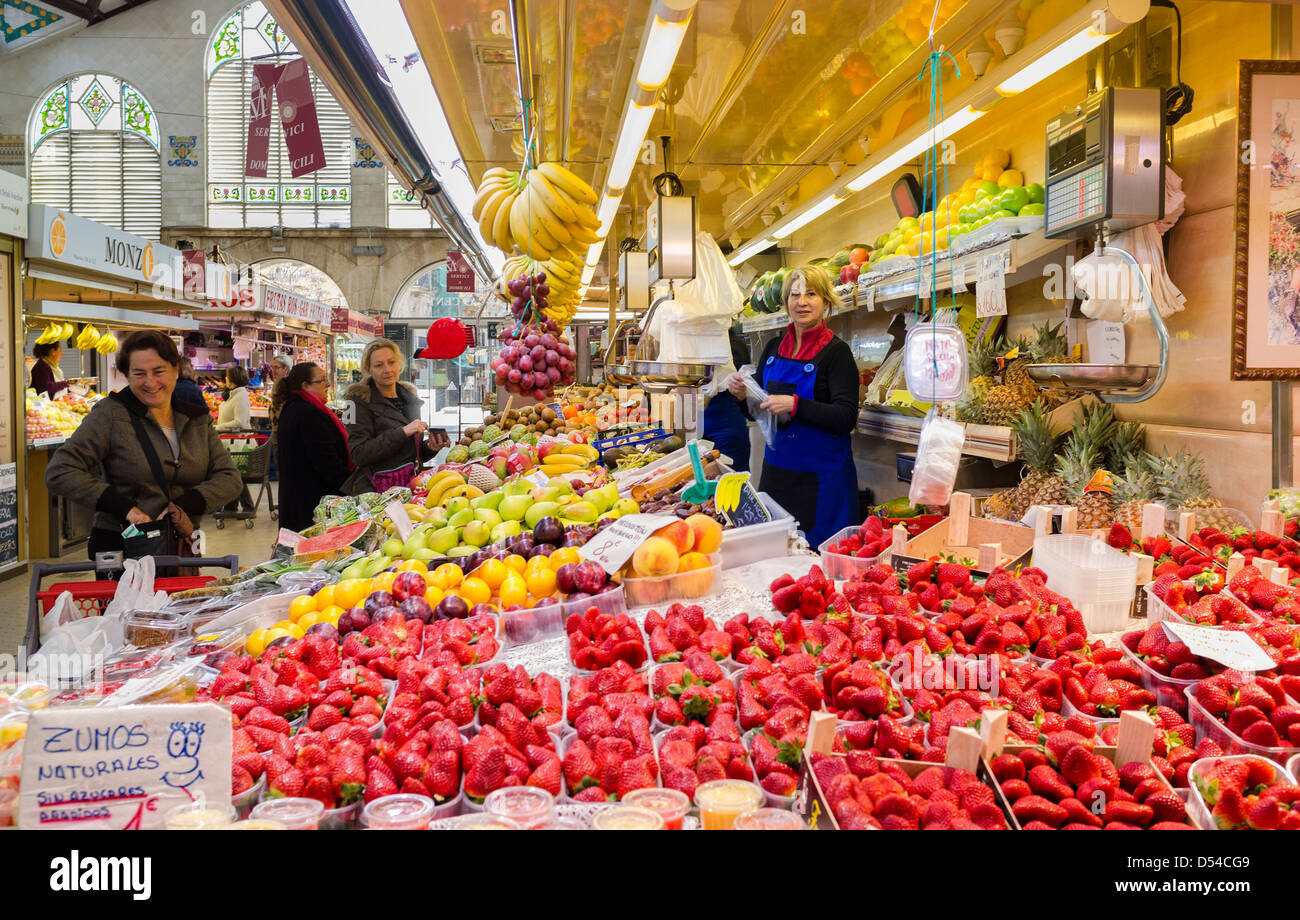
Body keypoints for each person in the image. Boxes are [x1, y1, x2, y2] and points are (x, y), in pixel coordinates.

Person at [45, 329, 242, 559]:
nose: (150, 382)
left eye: (159, 371)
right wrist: (123, 507)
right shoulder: (110, 415)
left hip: (180, 545)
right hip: (123, 551)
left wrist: (185, 505)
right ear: (126, 375)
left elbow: (230, 478)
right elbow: (60, 471)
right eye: (139, 374)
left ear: (176, 371)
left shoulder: (197, 420)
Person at [727, 264, 859, 547]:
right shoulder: (773, 349)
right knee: (775, 555)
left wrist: (796, 405)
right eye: (794, 295)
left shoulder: (837, 353)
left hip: (823, 482)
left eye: (811, 294)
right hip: (777, 476)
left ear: (825, 300)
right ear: (786, 302)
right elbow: (759, 410)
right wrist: (742, 395)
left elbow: (847, 416)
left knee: (819, 564)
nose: (802, 302)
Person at [341, 338, 450, 494]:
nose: (387, 369)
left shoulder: (409, 397)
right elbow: (358, 455)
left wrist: (430, 448)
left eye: (391, 362)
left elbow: (408, 454)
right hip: (376, 494)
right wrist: (403, 432)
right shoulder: (355, 402)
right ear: (368, 369)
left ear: (399, 364)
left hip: (408, 486)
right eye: (379, 365)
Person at [272, 362, 350, 531]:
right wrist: (348, 486)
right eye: (321, 380)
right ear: (305, 385)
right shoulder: (308, 413)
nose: (327, 384)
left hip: (299, 499)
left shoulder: (294, 407)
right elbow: (325, 461)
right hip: (311, 505)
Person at [700, 330, 752, 473]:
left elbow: (735, 386)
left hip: (726, 430)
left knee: (730, 483)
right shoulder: (698, 344)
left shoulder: (733, 346)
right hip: (701, 426)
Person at [214, 366, 251, 431]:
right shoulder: (231, 394)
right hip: (227, 437)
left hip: (236, 439)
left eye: (227, 376)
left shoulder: (240, 397)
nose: (225, 378)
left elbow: (239, 422)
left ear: (232, 379)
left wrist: (218, 427)